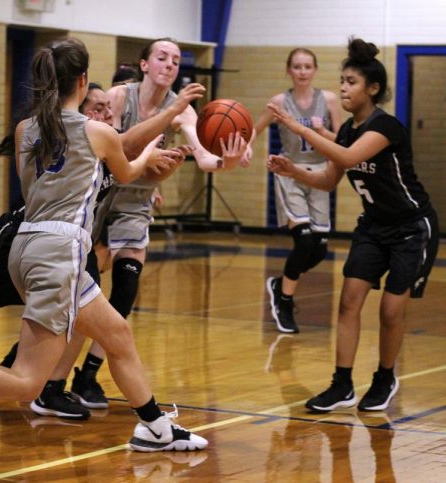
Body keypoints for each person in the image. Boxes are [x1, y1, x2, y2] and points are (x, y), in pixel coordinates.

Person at [0, 37, 208, 453]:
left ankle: (154, 426)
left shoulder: (25, 129)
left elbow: (44, 187)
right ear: (82, 81)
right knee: (27, 381)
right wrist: (151, 154)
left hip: (27, 242)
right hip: (60, 252)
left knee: (117, 335)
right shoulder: (98, 132)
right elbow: (126, 173)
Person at [69, 38, 249, 410]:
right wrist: (149, 158)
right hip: (100, 198)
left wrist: (226, 162)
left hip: (135, 205)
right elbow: (114, 151)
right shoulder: (119, 97)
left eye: (176, 60)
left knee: (125, 290)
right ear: (145, 65)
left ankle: (88, 374)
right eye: (162, 58)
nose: (169, 64)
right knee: (79, 292)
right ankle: (31, 361)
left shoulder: (182, 110)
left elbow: (203, 158)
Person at [266, 37, 438, 413]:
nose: (343, 88)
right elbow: (329, 179)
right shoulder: (346, 131)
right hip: (374, 227)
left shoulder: (385, 126)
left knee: (391, 311)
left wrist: (298, 127)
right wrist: (293, 169)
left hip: (412, 228)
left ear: (372, 89)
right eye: (341, 80)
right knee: (348, 302)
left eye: (351, 82)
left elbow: (345, 155)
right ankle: (342, 384)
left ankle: (384, 378)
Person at [252, 47, 343, 334]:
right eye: (297, 66)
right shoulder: (279, 101)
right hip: (290, 174)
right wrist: (242, 150)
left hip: (319, 175)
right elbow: (254, 129)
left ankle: (280, 284)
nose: (302, 71)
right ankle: (285, 300)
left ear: (314, 70)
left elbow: (344, 139)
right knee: (303, 243)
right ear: (289, 71)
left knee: (318, 250)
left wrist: (323, 131)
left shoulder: (328, 100)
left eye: (307, 66)